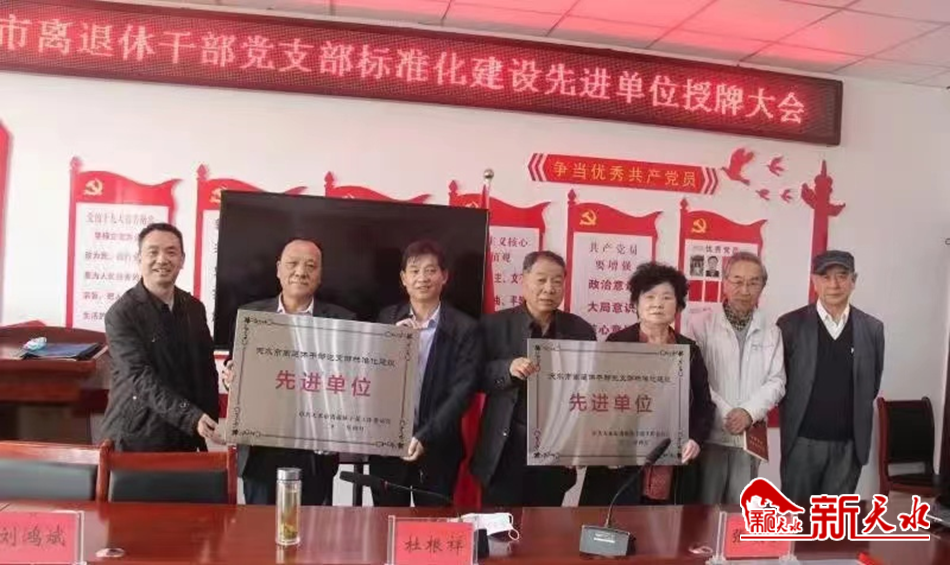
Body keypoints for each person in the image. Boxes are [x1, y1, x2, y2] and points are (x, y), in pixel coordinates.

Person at [222, 238, 356, 506]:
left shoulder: (342, 321)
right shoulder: (249, 315)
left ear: (320, 274)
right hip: (261, 448)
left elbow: (351, 381)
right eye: (293, 263)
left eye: (310, 266)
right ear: (278, 269)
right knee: (259, 528)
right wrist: (230, 378)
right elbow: (234, 367)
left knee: (312, 529)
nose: (300, 272)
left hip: (314, 450)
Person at [580, 262, 714, 506]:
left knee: (664, 525)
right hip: (619, 460)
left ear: (678, 306)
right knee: (618, 520)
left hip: (672, 462)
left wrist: (695, 438)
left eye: (666, 297)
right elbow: (595, 399)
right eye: (649, 296)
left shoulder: (689, 350)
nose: (657, 304)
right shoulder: (617, 343)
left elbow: (704, 405)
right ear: (636, 304)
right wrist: (603, 446)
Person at [470, 251, 596, 506]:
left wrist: (580, 442)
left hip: (554, 450)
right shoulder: (494, 325)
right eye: (541, 280)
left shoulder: (580, 330)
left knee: (545, 524)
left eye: (557, 281)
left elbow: (590, 390)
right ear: (524, 280)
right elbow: (473, 377)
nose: (549, 288)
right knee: (499, 524)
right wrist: (507, 369)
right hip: (506, 447)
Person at [369, 240, 481, 506]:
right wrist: (393, 344)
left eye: (431, 270)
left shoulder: (465, 328)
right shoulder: (386, 319)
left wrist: (425, 436)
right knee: (386, 522)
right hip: (388, 449)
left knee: (433, 524)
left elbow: (462, 393)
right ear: (403, 278)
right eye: (415, 270)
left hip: (439, 449)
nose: (422, 278)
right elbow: (369, 378)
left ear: (444, 276)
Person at [100, 223, 221, 452]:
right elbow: (139, 377)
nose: (162, 260)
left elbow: (205, 369)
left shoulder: (194, 308)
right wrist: (191, 416)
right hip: (138, 436)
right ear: (139, 259)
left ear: (182, 260)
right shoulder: (121, 314)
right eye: (153, 252)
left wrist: (210, 419)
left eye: (171, 252)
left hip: (185, 435)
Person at [777, 250, 884, 506]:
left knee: (834, 523)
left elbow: (871, 385)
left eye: (842, 276)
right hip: (802, 443)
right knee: (796, 519)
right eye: (825, 277)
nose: (834, 284)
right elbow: (780, 383)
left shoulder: (872, 328)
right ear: (814, 282)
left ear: (853, 280)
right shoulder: (790, 325)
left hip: (848, 446)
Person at [686, 252, 785, 505]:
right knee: (704, 510)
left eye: (753, 282)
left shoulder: (771, 331)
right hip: (709, 435)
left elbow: (777, 381)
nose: (745, 290)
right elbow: (694, 379)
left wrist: (748, 413)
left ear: (762, 286)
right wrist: (728, 413)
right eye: (738, 281)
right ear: (725, 283)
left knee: (740, 511)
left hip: (749, 436)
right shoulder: (699, 325)